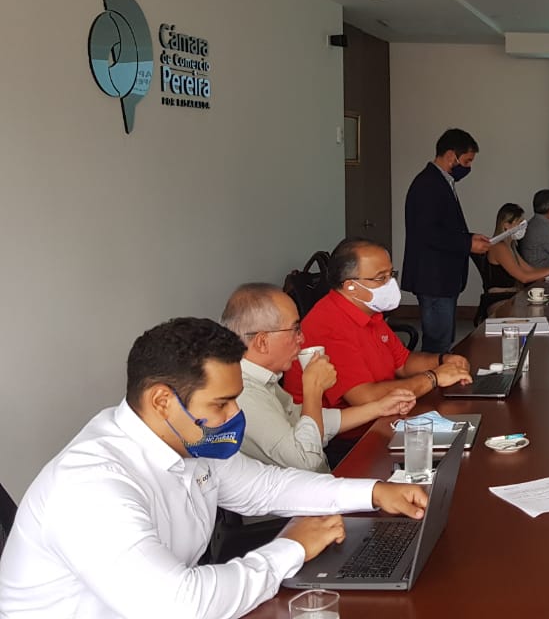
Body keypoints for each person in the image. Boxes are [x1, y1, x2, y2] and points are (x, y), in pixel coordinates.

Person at [0, 317, 429, 619]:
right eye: (221, 403)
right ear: (162, 401)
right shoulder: (91, 486)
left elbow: (270, 487)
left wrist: (373, 492)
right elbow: (180, 607)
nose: (234, 415)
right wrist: (291, 547)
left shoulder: (188, 442)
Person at [221, 283, 416, 472]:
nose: (302, 338)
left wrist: (379, 407)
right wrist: (313, 389)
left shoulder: (263, 378)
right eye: (295, 330)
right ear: (262, 342)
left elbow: (307, 421)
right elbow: (305, 460)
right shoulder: (242, 393)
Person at [284, 238, 473, 411]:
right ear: (351, 286)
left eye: (391, 275)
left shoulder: (367, 310)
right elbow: (365, 398)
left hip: (381, 415)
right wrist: (434, 377)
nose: (390, 284)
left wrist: (443, 361)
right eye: (381, 278)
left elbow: (403, 363)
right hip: (341, 432)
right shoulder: (329, 324)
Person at [402, 127, 491, 353]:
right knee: (437, 344)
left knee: (444, 339)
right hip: (433, 278)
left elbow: (445, 227)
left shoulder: (441, 181)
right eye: (467, 161)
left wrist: (469, 237)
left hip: (442, 277)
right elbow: (427, 233)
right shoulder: (428, 184)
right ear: (451, 155)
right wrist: (467, 244)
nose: (468, 167)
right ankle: (434, 376)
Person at [484, 203, 549, 292]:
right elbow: (524, 277)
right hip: (501, 297)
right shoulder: (500, 247)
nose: (524, 228)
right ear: (506, 225)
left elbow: (530, 270)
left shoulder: (511, 246)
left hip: (513, 295)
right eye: (520, 223)